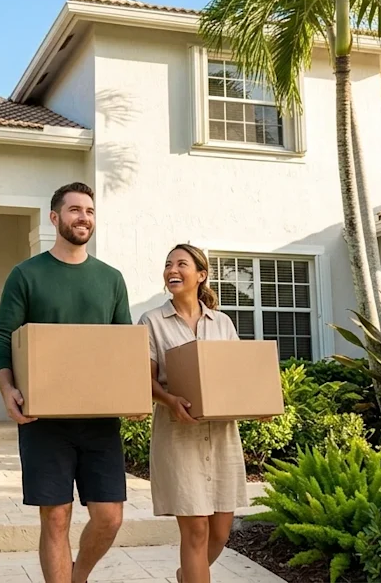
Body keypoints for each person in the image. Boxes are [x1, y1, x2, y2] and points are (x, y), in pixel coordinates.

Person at [0, 181, 132, 583]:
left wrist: (133, 395)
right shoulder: (26, 274)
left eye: (89, 211)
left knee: (110, 516)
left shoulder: (111, 279)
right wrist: (7, 388)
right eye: (74, 210)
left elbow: (123, 346)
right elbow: (2, 337)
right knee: (55, 516)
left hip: (99, 418)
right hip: (43, 419)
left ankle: (77, 575)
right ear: (55, 218)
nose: (83, 217)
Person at [138, 244, 249, 583]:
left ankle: (186, 575)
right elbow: (146, 378)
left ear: (201, 275)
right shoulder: (152, 321)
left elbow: (238, 377)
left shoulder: (223, 323)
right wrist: (170, 400)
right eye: (168, 263)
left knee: (220, 533)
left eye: (181, 264)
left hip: (221, 436)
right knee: (196, 530)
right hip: (178, 433)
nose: (172, 269)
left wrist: (256, 406)